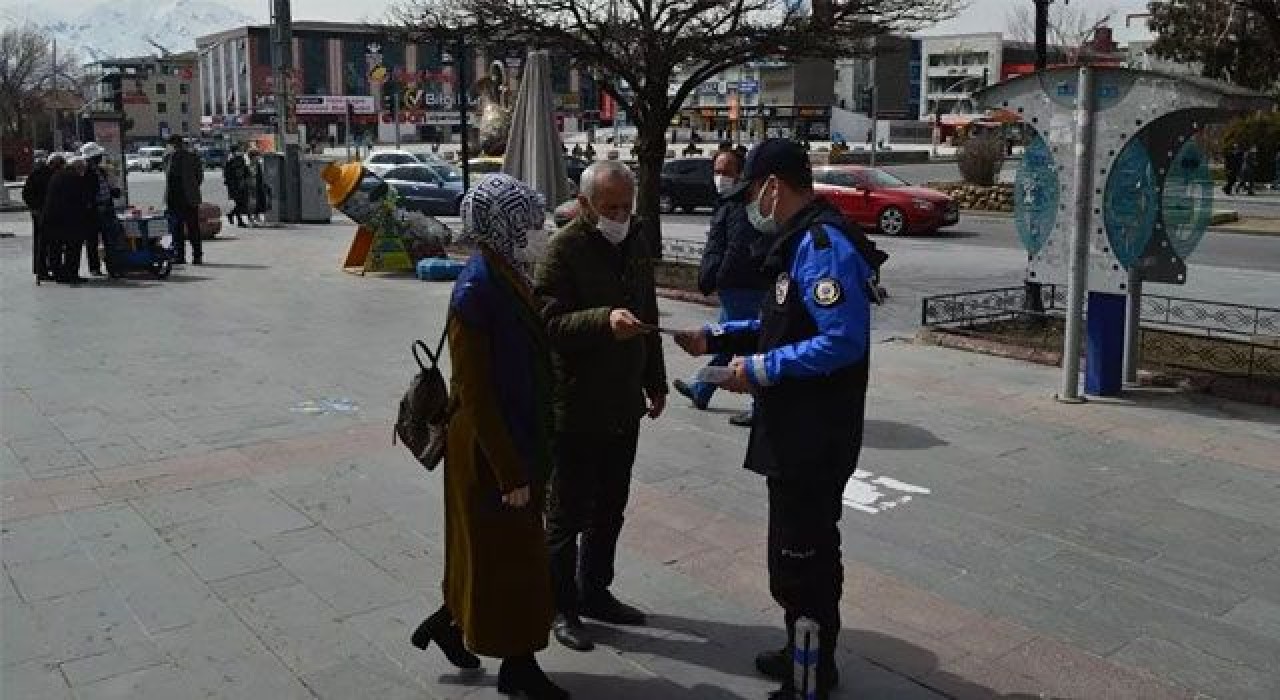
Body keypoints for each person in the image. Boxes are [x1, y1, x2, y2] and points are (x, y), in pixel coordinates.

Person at [673, 139, 886, 700]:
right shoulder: (796, 244)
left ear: (773, 186)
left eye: (754, 192)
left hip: (814, 434)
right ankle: (804, 654)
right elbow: (780, 322)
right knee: (795, 552)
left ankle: (809, 679)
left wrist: (762, 368)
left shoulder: (821, 245)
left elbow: (840, 342)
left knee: (803, 559)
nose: (751, 204)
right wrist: (714, 337)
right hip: (795, 430)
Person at [409, 174, 568, 700]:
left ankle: (450, 625)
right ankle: (519, 669)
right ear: (501, 225)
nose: (539, 229)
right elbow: (474, 392)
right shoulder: (476, 289)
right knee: (515, 560)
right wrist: (511, 472)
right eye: (527, 220)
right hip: (490, 450)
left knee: (487, 553)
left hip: (508, 439)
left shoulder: (506, 273)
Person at [534, 160, 667, 653]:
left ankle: (596, 591)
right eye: (609, 207)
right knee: (567, 513)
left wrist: (656, 380)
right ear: (586, 204)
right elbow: (546, 323)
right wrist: (601, 320)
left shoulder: (634, 242)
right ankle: (561, 606)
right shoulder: (563, 248)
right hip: (576, 403)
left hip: (622, 401)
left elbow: (648, 312)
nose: (619, 216)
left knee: (611, 508)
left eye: (626, 208)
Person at [674, 149, 767, 426]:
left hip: (742, 284)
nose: (720, 177)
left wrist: (720, 277)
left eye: (726, 171)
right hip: (738, 283)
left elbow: (737, 247)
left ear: (741, 173)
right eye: (716, 171)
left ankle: (759, 404)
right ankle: (701, 388)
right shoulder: (729, 200)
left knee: (747, 343)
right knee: (728, 340)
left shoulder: (740, 203)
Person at [43, 155, 94, 285]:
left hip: (52, 217)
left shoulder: (57, 176)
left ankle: (58, 274)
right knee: (73, 247)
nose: (83, 171)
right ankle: (71, 274)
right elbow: (81, 198)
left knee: (56, 247)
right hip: (70, 219)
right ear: (77, 167)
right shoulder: (75, 178)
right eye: (82, 168)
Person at [23, 152, 63, 282]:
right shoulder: (38, 174)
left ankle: (53, 267)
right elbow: (27, 193)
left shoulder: (55, 174)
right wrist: (35, 208)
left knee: (54, 242)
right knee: (42, 242)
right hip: (40, 212)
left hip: (52, 212)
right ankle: (41, 270)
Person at [81, 142, 119, 277]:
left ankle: (112, 267)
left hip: (107, 207)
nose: (100, 158)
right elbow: (86, 193)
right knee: (92, 240)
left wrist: (114, 190)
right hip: (94, 211)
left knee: (110, 239)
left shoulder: (102, 170)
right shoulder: (85, 173)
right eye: (98, 156)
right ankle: (94, 267)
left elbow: (108, 187)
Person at [164, 135, 204, 264]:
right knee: (182, 229)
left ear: (174, 144)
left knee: (185, 229)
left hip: (184, 198)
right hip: (178, 198)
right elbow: (199, 177)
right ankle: (185, 256)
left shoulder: (190, 157)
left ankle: (190, 256)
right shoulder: (168, 158)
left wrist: (190, 187)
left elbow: (199, 177)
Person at [223, 144, 249, 228]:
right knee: (239, 202)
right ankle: (239, 220)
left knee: (241, 203)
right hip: (235, 185)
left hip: (240, 184)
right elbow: (227, 174)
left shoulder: (240, 159)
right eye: (238, 150)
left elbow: (245, 170)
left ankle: (232, 215)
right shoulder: (231, 160)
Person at [247, 149, 269, 226]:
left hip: (259, 185)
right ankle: (251, 218)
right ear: (253, 157)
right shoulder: (250, 165)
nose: (258, 157)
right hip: (253, 186)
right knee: (253, 203)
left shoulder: (258, 164)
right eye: (257, 156)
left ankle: (257, 216)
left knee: (260, 202)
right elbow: (252, 175)